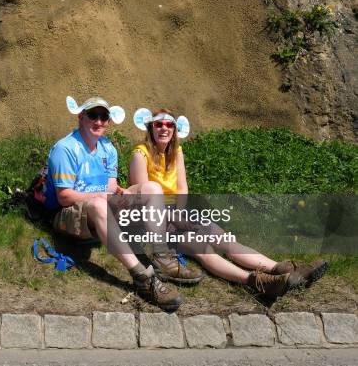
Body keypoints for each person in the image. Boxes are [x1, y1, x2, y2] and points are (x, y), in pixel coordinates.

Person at [128, 108, 328, 298]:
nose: (164, 128)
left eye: (169, 125)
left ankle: (284, 270)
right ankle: (256, 282)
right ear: (150, 128)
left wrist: (180, 214)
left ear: (175, 129)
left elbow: (182, 187)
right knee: (203, 249)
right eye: (159, 124)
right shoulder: (141, 154)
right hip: (153, 220)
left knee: (226, 240)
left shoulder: (177, 152)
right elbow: (146, 197)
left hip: (177, 213)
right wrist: (172, 218)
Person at [42, 96, 184, 310]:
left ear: (109, 121)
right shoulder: (66, 148)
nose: (98, 122)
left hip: (100, 206)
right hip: (67, 214)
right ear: (81, 117)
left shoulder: (108, 147)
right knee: (99, 205)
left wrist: (120, 193)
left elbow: (110, 184)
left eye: (103, 117)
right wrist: (101, 197)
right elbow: (65, 197)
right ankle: (142, 277)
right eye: (93, 115)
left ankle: (161, 255)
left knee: (152, 189)